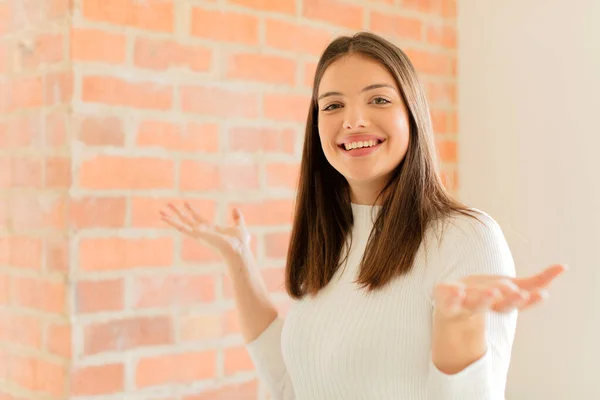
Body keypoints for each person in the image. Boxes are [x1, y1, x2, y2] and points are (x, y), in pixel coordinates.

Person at [160, 32, 566, 400]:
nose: (353, 120)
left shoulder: (466, 238)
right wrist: (238, 258)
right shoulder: (331, 237)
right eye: (333, 105)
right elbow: (291, 384)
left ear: (412, 115)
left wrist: (457, 330)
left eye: (379, 99)